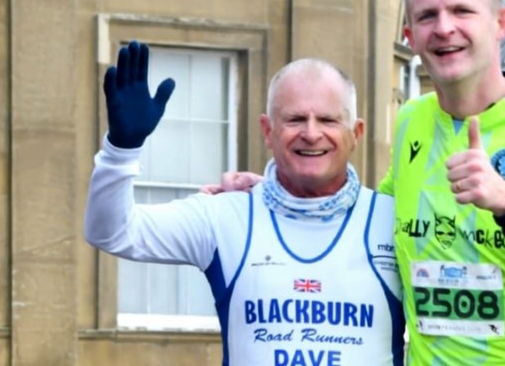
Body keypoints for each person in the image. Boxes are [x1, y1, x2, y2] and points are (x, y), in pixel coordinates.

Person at [208, 0, 505, 365]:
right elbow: (373, 220)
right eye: (427, 16)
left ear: (501, 23)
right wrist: (284, 195)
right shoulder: (413, 120)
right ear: (409, 36)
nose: (444, 28)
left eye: (461, 11)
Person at [84, 43, 405, 365]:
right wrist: (121, 150)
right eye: (295, 119)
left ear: (356, 133)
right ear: (267, 131)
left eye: (327, 120)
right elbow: (112, 232)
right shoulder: (225, 215)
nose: (311, 133)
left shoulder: (394, 221)